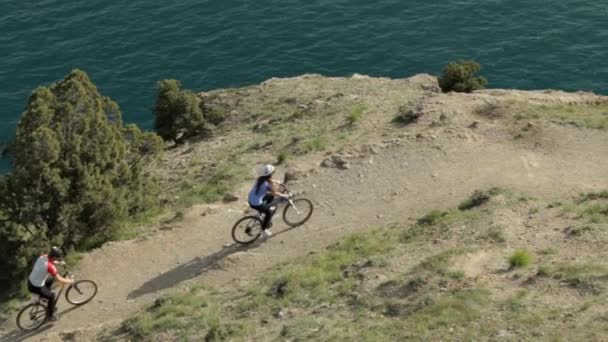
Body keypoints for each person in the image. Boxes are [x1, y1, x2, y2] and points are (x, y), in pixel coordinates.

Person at [27, 246, 74, 321]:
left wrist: (60, 263)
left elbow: (51, 261)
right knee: (52, 296)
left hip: (31, 281)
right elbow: (60, 280)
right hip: (35, 287)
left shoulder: (43, 256)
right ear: (54, 257)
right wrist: (70, 281)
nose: (58, 258)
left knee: (51, 279)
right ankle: (50, 316)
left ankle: (44, 297)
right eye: (58, 257)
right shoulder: (50, 266)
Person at [248, 164, 289, 238]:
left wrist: (276, 181)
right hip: (256, 203)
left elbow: (268, 182)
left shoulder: (260, 179)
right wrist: (284, 195)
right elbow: (275, 193)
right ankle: (264, 230)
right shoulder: (267, 185)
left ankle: (264, 210)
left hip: (251, 199)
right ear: (270, 174)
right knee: (269, 213)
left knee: (270, 196)